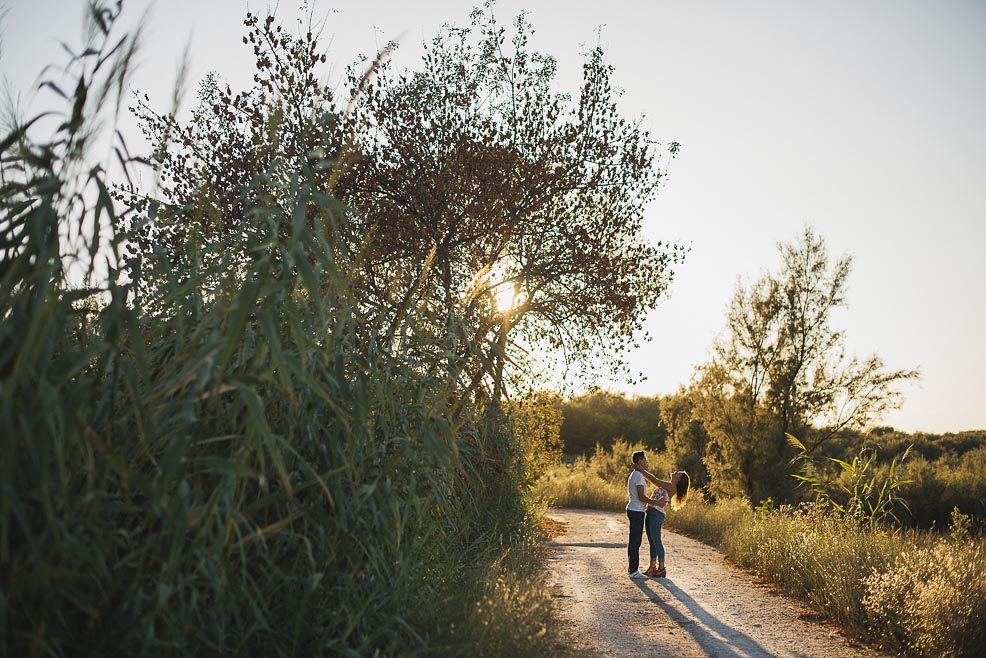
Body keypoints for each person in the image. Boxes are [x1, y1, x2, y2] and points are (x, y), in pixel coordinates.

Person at [634, 463, 689, 578]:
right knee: (652, 542)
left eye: (678, 473)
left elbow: (654, 480)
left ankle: (661, 568)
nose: (676, 472)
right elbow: (655, 482)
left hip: (656, 515)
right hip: (651, 513)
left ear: (679, 479)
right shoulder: (668, 485)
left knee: (657, 541)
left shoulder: (672, 487)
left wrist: (641, 470)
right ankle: (652, 567)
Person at [626, 451, 669, 580]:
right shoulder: (638, 476)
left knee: (633, 541)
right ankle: (634, 571)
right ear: (640, 462)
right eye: (645, 460)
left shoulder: (636, 474)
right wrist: (657, 502)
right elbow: (641, 497)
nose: (647, 462)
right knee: (635, 542)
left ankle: (632, 569)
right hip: (636, 511)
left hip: (635, 510)